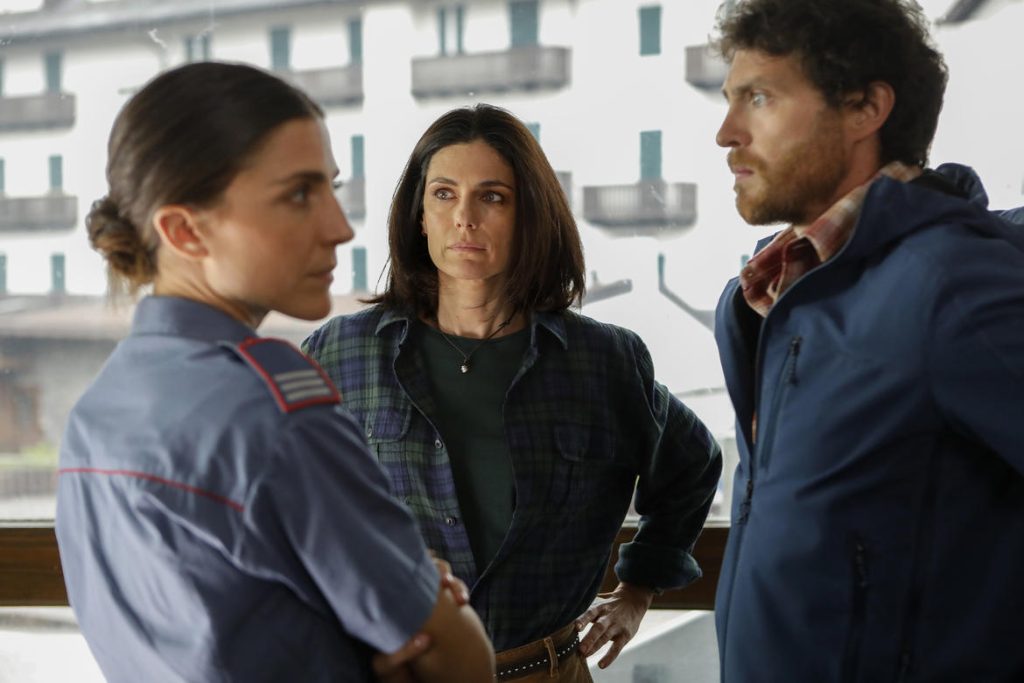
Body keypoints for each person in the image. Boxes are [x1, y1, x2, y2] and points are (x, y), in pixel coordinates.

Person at [54, 61, 494, 683]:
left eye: (331, 188)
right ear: (184, 230)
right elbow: (463, 662)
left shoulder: (96, 412)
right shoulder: (274, 413)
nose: (340, 228)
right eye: (298, 195)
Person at [303, 103, 723, 681]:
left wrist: (638, 588)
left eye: (493, 197)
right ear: (419, 216)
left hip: (547, 671)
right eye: (444, 194)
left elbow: (693, 465)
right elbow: (288, 509)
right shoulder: (341, 353)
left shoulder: (603, 362)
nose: (464, 218)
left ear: (529, 216)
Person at [711, 0, 1024, 680]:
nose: (726, 133)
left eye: (759, 98)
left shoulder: (951, 281)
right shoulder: (775, 289)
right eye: (730, 100)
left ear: (864, 108)